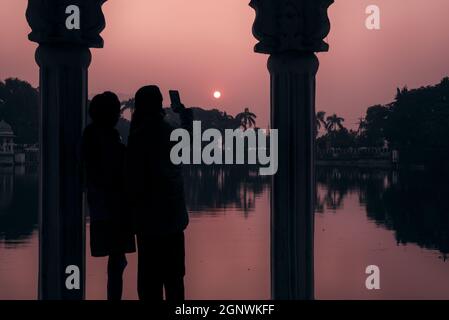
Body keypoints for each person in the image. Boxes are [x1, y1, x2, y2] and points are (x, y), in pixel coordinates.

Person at [126, 85, 192, 301]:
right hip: (172, 219)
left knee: (149, 283)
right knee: (174, 282)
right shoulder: (169, 132)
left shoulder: (137, 136)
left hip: (148, 222)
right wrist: (183, 113)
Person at [81, 91, 136, 300]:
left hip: (100, 208)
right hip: (114, 208)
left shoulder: (91, 136)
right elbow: (121, 169)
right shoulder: (107, 140)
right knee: (116, 263)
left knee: (116, 262)